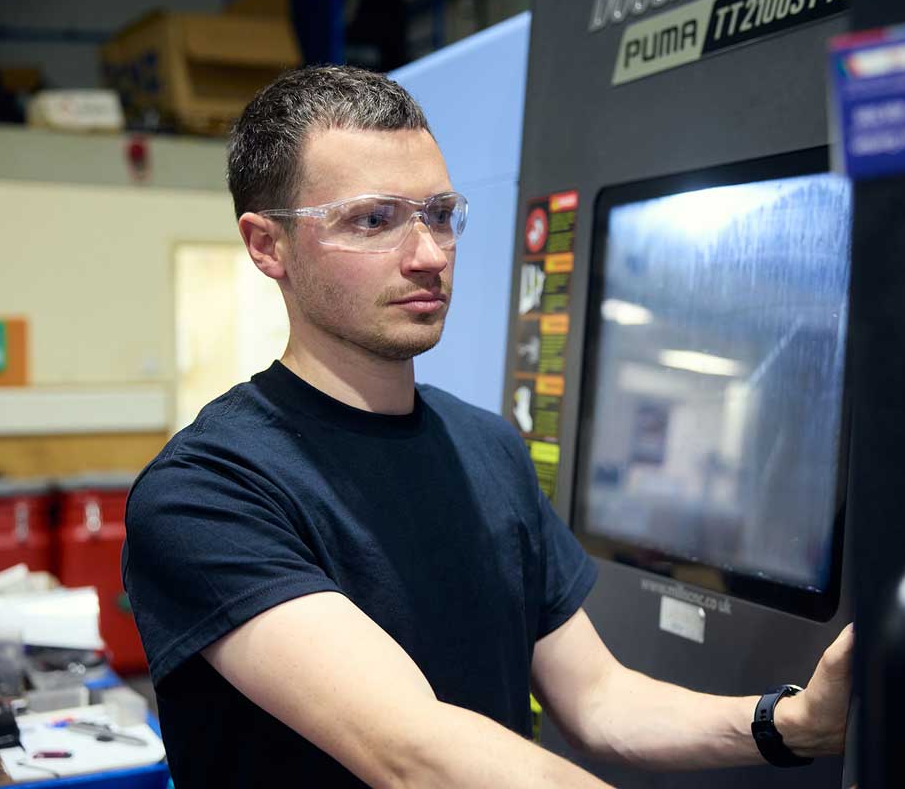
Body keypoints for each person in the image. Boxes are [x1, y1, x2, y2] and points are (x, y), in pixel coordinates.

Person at [122, 65, 854, 788]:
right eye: (374, 220)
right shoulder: (207, 493)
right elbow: (414, 754)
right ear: (266, 246)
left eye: (439, 214)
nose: (429, 255)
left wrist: (790, 724)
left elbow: (601, 701)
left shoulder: (488, 449)